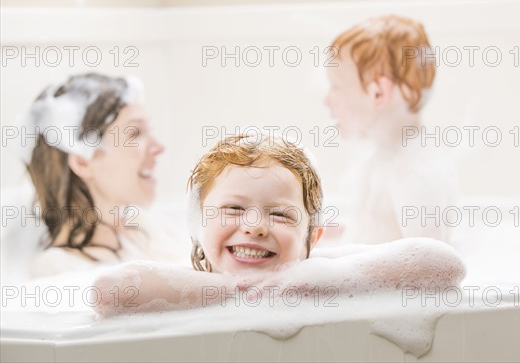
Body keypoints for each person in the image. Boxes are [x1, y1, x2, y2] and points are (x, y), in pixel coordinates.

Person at [93, 134, 465, 316]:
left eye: (281, 214)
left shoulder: (323, 272)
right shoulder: (187, 282)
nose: (254, 226)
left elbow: (443, 263)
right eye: (234, 210)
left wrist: (302, 283)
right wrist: (243, 290)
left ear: (312, 238)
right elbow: (109, 291)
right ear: (197, 224)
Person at [15, 73, 181, 278]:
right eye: (135, 133)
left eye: (150, 130)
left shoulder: (150, 229)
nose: (159, 147)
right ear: (83, 161)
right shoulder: (58, 270)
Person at [324, 15, 458, 244]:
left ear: (378, 92)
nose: (327, 100)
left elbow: (429, 269)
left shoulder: (413, 175)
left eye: (336, 86)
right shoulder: (384, 158)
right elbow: (378, 231)